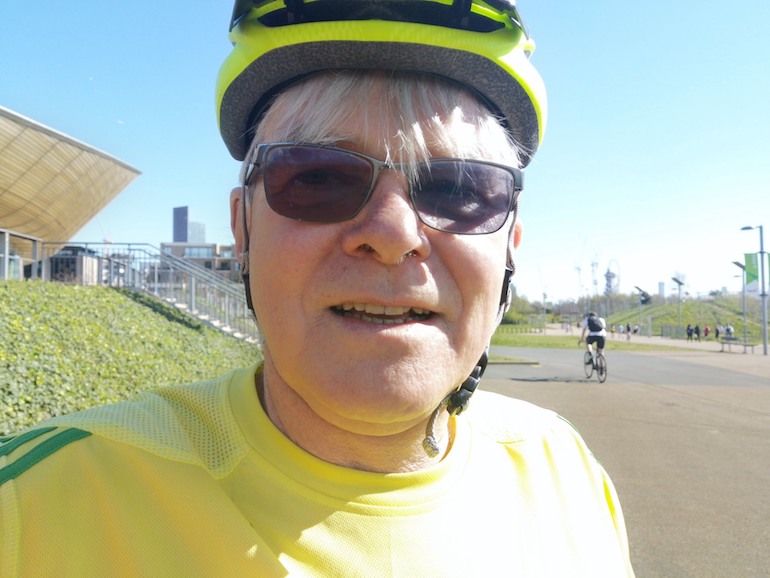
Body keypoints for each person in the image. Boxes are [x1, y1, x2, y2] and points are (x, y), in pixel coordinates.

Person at [0, 1, 634, 575]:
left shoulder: (567, 475)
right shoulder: (34, 506)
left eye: (460, 190)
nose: (391, 234)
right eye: (318, 178)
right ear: (241, 230)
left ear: (509, 252)